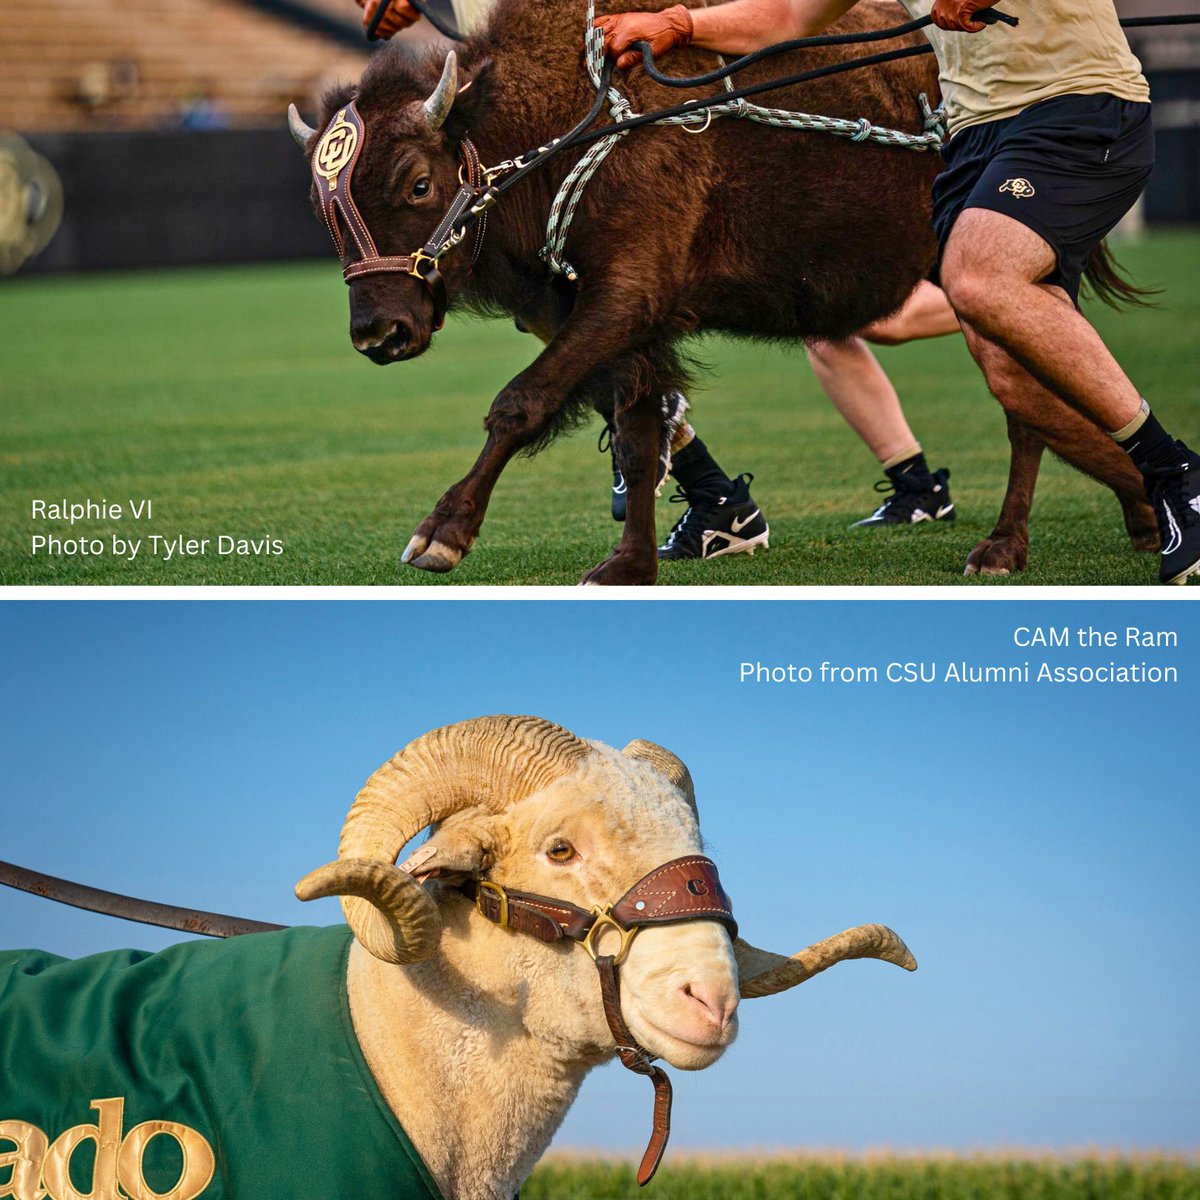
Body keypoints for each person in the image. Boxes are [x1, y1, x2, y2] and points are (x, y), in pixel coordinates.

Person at [595, 0, 1200, 584]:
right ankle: (1160, 493)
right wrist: (678, 24)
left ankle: (1178, 476)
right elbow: (792, 14)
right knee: (1015, 378)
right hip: (973, 139)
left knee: (977, 274)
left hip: (1076, 104)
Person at [351, 0, 962, 560]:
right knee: (579, 309)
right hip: (527, 92)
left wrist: (677, 22)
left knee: (886, 317)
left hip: (602, 75)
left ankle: (989, 319)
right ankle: (725, 490)